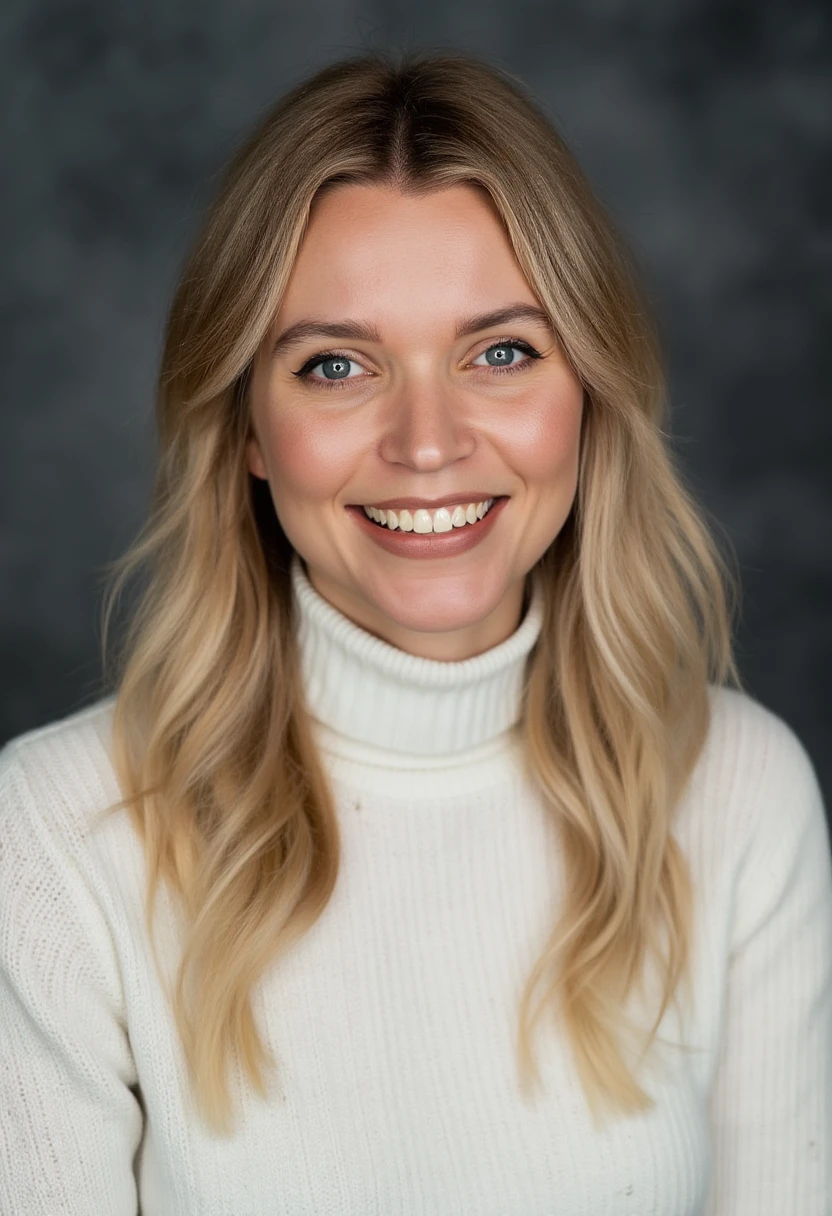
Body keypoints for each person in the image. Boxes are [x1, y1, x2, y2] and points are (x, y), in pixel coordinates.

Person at [0, 48, 829, 1216]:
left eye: (501, 353)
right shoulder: (53, 839)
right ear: (244, 426)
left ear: (587, 394)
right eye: (336, 365)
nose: (427, 441)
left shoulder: (737, 791)